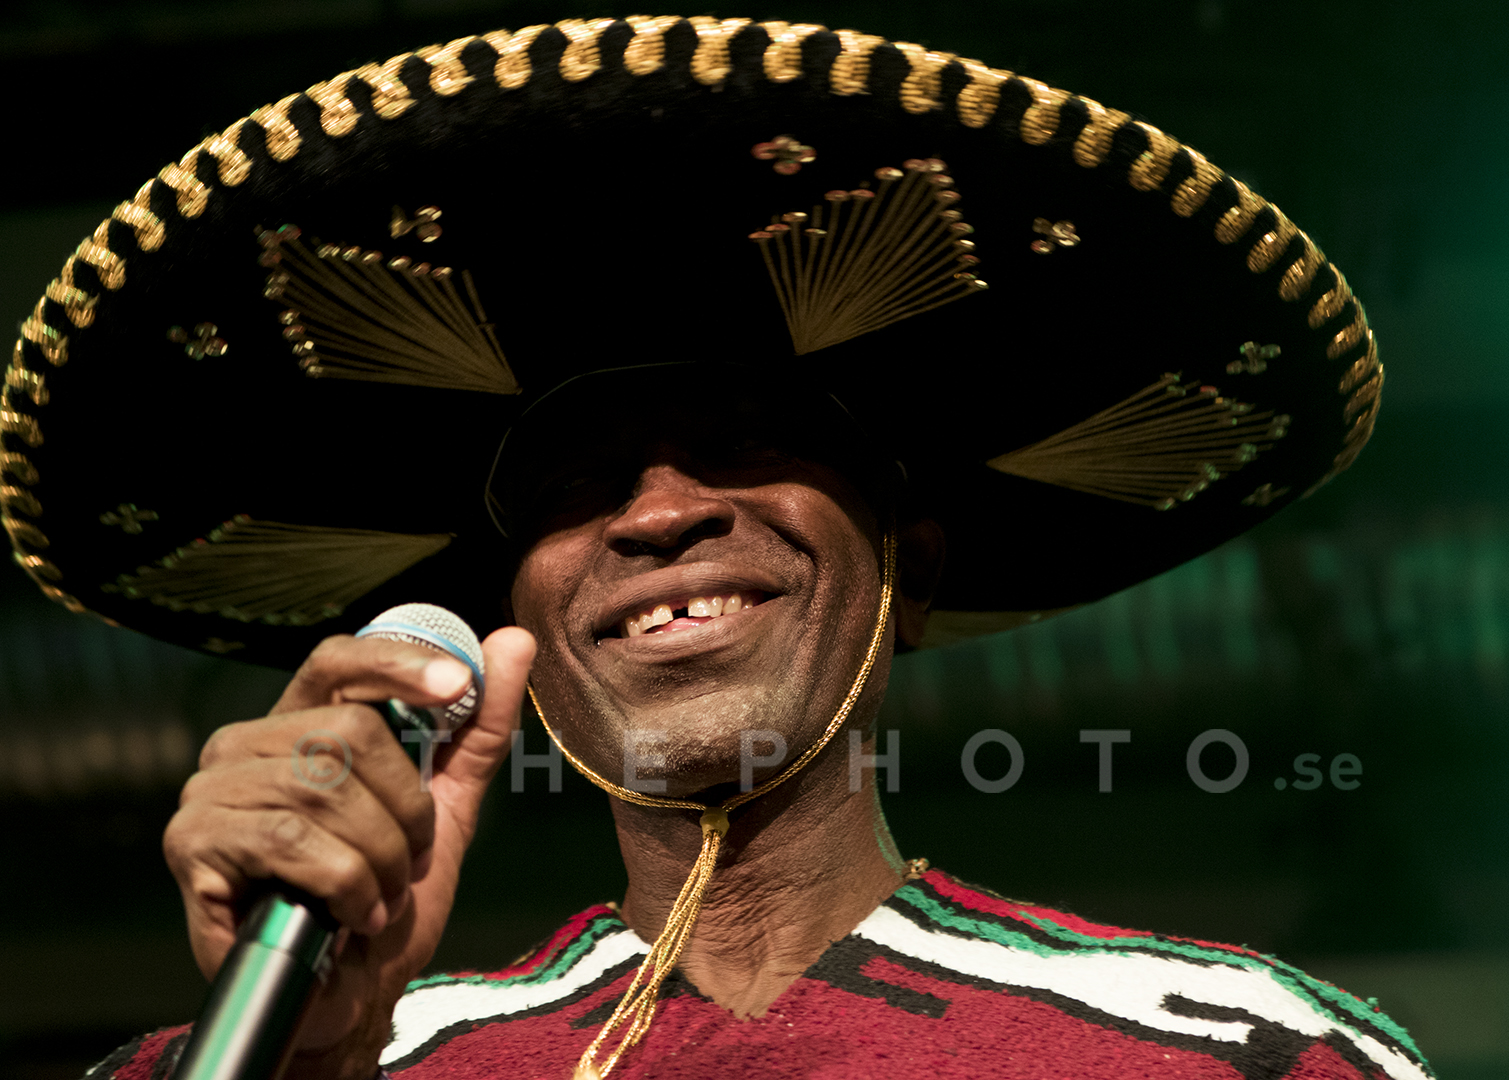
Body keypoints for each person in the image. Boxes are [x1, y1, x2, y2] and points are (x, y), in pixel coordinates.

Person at [4, 16, 1415, 1079]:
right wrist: (311, 1057)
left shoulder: (1246, 1053)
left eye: (747, 442)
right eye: (575, 481)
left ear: (912, 575)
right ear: (511, 629)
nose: (660, 511)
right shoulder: (286, 1060)